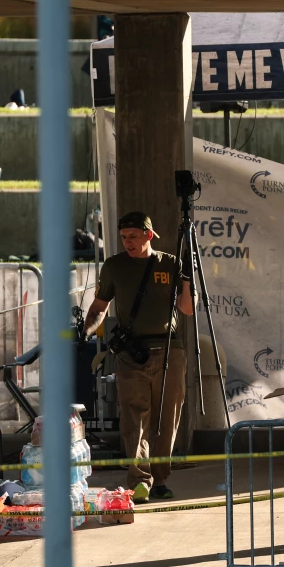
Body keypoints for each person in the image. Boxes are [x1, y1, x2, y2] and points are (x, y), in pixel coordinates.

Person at [81, 211, 194, 503]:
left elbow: (187, 309)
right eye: (123, 237)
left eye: (133, 236)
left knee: (167, 419)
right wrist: (86, 331)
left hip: (169, 349)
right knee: (134, 419)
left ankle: (160, 479)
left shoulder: (171, 264)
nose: (127, 242)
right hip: (131, 353)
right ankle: (140, 480)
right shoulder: (114, 266)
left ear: (149, 235)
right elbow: (99, 307)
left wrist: (187, 280)